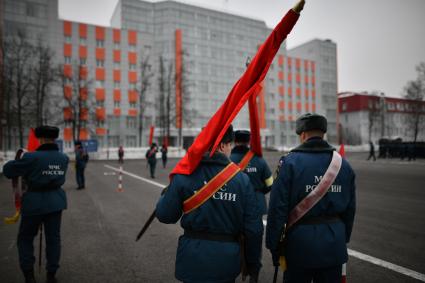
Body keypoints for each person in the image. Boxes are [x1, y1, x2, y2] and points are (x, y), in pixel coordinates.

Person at [156, 125, 263, 283]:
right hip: (226, 262)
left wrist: (166, 194)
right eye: (229, 145)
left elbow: (165, 215)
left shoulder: (185, 174)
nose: (230, 150)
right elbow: (253, 229)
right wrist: (253, 265)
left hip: (192, 259)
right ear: (222, 146)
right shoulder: (242, 180)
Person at [266, 113, 356, 283]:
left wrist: (274, 245)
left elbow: (277, 208)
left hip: (299, 247)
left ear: (303, 135)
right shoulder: (344, 165)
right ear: (323, 133)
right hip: (333, 245)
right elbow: (350, 210)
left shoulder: (290, 163)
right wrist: (341, 237)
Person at [2, 126, 69, 283]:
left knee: (25, 238)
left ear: (41, 139)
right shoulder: (63, 158)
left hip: (34, 203)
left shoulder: (31, 157)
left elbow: (8, 171)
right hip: (55, 202)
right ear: (53, 139)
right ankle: (51, 275)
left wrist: (19, 159)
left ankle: (29, 276)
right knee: (53, 239)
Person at [230, 130, 273, 282]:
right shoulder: (259, 160)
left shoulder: (229, 159)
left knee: (231, 239)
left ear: (234, 141)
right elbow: (270, 184)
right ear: (249, 142)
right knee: (254, 240)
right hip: (255, 204)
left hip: (233, 204)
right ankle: (253, 274)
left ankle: (234, 271)